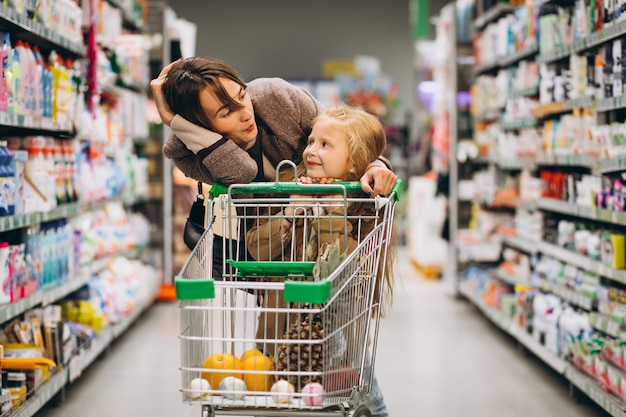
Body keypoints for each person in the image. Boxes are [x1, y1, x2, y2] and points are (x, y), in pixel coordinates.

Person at [245, 105, 396, 417]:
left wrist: (332, 215)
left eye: (326, 145)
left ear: (355, 164)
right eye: (311, 142)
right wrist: (289, 213)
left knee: (358, 402)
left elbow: (352, 270)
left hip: (340, 342)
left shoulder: (363, 205)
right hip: (280, 333)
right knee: (285, 402)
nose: (311, 151)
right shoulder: (288, 185)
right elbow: (256, 250)